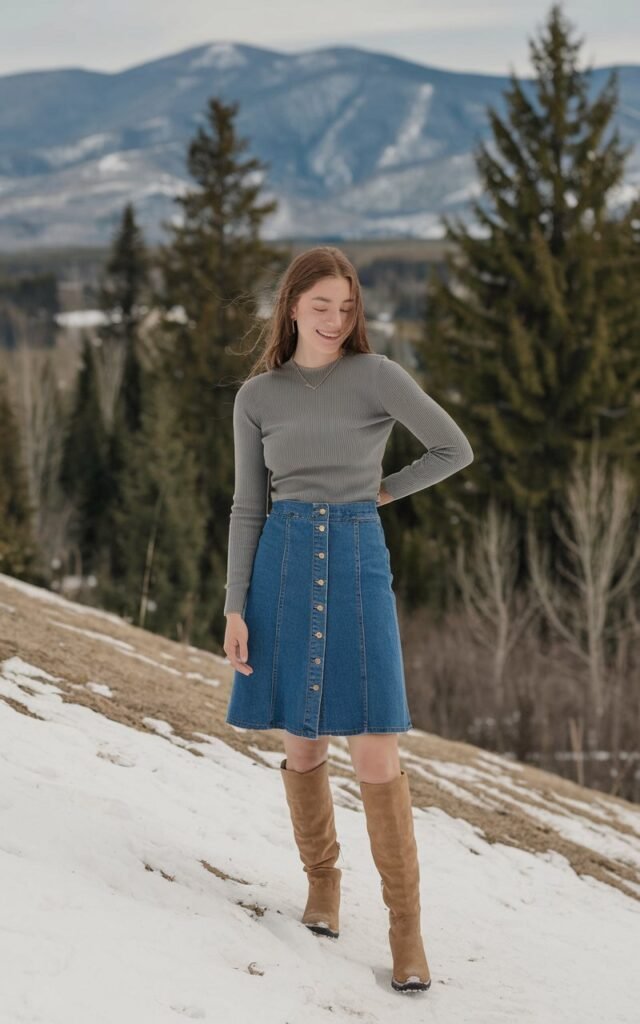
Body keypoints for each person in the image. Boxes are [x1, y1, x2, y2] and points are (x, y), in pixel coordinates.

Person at [223, 245, 473, 994]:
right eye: (321, 304)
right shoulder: (257, 396)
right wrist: (236, 605)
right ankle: (323, 886)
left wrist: (383, 494)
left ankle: (406, 931)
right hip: (283, 563)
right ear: (292, 306)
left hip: (360, 558)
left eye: (347, 305)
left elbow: (452, 448)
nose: (336, 318)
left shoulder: (378, 376)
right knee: (302, 744)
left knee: (376, 753)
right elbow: (247, 506)